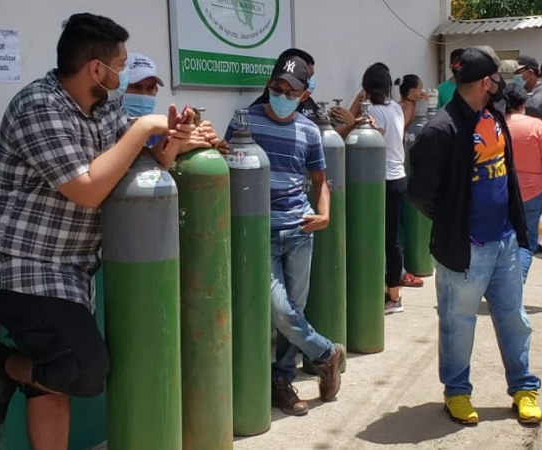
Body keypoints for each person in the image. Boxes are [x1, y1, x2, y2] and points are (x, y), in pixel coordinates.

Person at [0, 13, 195, 449]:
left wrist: (172, 143)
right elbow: (88, 189)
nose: (124, 73)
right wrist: (146, 127)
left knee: (53, 373)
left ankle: (23, 378)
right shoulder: (39, 106)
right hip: (19, 268)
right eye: (121, 63)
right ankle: (2, 365)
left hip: (69, 272)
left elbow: (131, 167)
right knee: (83, 370)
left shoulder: (104, 107)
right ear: (98, 69)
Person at [409, 45, 542, 426]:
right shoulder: (441, 130)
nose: (503, 83)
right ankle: (457, 393)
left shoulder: (495, 116)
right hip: (466, 249)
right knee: (458, 323)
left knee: (514, 319)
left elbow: (506, 173)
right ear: (487, 81)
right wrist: (455, 222)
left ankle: (524, 388)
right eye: (499, 77)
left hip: (504, 243)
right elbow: (421, 194)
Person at [224, 55, 344, 416]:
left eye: (290, 91)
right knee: (279, 309)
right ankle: (326, 353)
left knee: (296, 307)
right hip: (259, 233)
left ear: (304, 94)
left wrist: (324, 215)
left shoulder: (309, 131)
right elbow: (227, 164)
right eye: (277, 87)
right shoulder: (246, 121)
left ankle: (282, 380)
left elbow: (321, 181)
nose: (281, 94)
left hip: (300, 231)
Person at [360, 64, 415, 313]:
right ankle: (393, 293)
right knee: (393, 239)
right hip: (399, 177)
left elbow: (371, 141)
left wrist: (354, 118)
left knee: (377, 238)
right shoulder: (395, 108)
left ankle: (389, 296)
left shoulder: (373, 111)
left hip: (380, 180)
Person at [504, 84, 542, 282]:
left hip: (501, 191)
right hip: (532, 193)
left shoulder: (496, 125)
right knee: (526, 243)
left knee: (502, 241)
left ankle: (500, 286)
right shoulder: (537, 126)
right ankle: (516, 284)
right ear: (524, 103)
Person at [122, 52, 224, 151]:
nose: (144, 94)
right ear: (120, 88)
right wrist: (174, 147)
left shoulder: (160, 129)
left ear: (156, 91)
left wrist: (206, 143)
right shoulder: (112, 126)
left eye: (150, 88)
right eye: (136, 87)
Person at [514, 56, 542, 138]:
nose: (515, 76)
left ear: (530, 73)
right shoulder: (521, 90)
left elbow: (534, 109)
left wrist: (513, 106)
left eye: (518, 72)